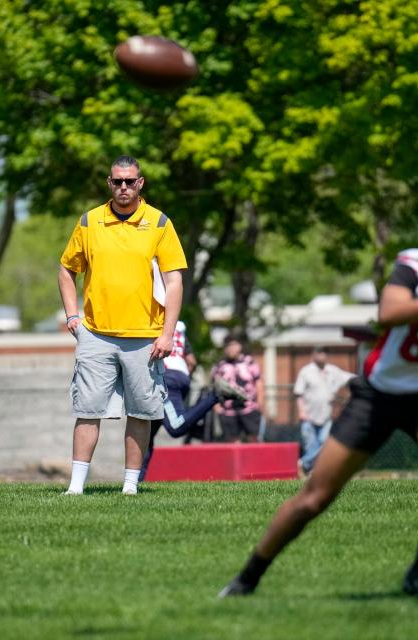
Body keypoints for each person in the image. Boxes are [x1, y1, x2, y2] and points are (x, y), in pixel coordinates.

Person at [219, 195, 418, 602]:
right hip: (379, 395)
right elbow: (388, 312)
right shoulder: (416, 266)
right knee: (315, 498)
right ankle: (247, 578)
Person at [58, 155, 187, 495]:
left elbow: (174, 282)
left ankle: (130, 485)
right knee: (87, 409)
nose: (124, 187)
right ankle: (75, 487)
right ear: (109, 183)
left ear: (141, 183)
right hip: (96, 335)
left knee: (142, 412)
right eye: (118, 181)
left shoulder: (160, 223)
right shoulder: (89, 221)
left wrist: (167, 333)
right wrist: (73, 315)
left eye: (130, 181)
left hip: (145, 338)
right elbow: (66, 270)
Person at [139, 320, 247, 480]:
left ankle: (214, 395)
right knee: (146, 434)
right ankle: (137, 482)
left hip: (163, 377)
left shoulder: (147, 321)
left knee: (176, 426)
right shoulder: (177, 325)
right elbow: (191, 361)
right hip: (181, 376)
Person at [294, 346, 355, 475]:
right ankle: (309, 469)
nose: (322, 355)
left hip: (326, 416)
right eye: (319, 352)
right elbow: (298, 393)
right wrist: (302, 412)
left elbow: (350, 378)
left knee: (324, 443)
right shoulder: (306, 371)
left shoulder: (333, 371)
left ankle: (303, 464)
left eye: (325, 353)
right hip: (309, 416)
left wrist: (371, 376)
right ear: (314, 354)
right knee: (311, 445)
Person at [212, 335, 264, 443]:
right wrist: (217, 407)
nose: (230, 349)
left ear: (240, 346)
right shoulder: (220, 366)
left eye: (233, 345)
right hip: (228, 411)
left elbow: (259, 382)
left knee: (253, 439)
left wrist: (260, 403)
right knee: (233, 442)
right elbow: (214, 386)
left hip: (249, 408)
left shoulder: (249, 362)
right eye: (228, 346)